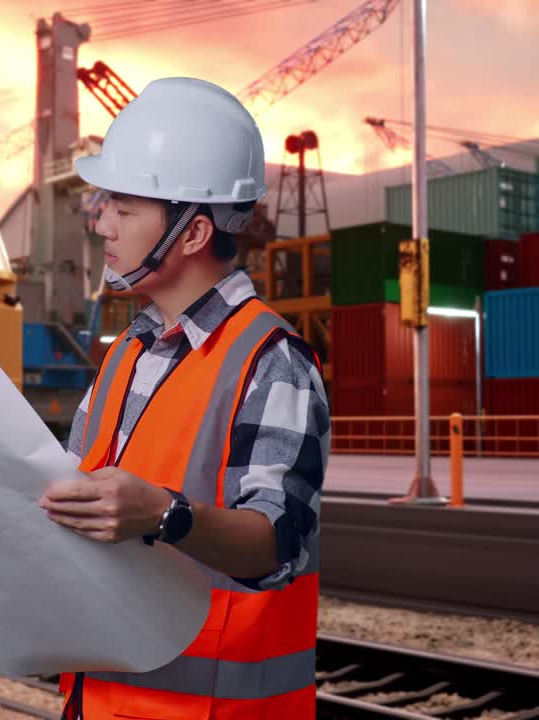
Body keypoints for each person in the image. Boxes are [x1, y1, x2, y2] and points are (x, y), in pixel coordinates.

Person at [38, 76, 331, 720]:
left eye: (125, 206)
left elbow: (277, 541)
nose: (101, 223)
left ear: (193, 234)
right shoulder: (125, 353)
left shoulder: (272, 361)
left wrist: (164, 514)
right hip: (100, 701)